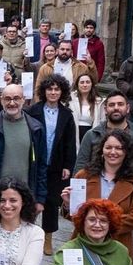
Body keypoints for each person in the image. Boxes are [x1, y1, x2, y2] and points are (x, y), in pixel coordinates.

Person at [64, 129, 133, 258]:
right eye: (108, 147)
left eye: (119, 148)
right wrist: (68, 204)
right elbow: (74, 216)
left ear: (127, 152)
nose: (113, 152)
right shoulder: (83, 175)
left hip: (117, 246)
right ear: (101, 151)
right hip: (84, 246)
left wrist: (99, 226)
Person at [0, 84, 48, 210]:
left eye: (16, 98)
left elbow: (41, 165)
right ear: (1, 100)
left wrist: (40, 199)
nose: (12, 103)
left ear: (23, 100)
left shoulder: (36, 128)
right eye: (7, 99)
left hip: (25, 196)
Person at [28, 75, 77, 255]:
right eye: (50, 89)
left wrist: (68, 166)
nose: (53, 92)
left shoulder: (66, 115)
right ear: (44, 91)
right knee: (32, 198)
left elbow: (70, 143)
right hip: (35, 162)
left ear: (62, 92)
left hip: (56, 164)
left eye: (57, 89)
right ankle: (29, 236)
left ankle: (47, 238)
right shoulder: (33, 111)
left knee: (51, 201)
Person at [74, 91, 133, 174]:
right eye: (111, 105)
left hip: (132, 184)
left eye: (120, 104)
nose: (116, 108)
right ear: (105, 109)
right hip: (98, 184)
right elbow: (80, 166)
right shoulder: (92, 135)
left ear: (128, 108)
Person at [69, 73, 104, 142]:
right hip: (72, 134)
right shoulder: (70, 100)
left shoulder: (99, 102)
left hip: (91, 135)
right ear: (77, 85)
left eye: (87, 82)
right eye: (82, 82)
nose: (85, 85)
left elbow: (102, 122)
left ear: (92, 84)